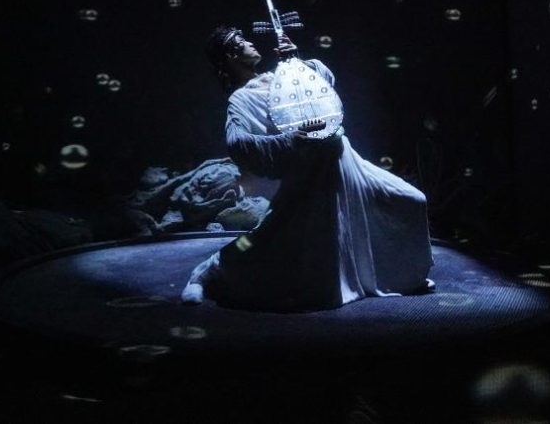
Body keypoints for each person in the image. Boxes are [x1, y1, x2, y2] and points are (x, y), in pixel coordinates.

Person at [180, 25, 434, 312]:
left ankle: (401, 277)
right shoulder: (241, 99)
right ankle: (205, 276)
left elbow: (325, 87)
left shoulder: (281, 75)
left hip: (347, 162)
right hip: (314, 176)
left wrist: (295, 60)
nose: (251, 43)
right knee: (264, 243)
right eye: (243, 42)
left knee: (412, 201)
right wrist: (287, 141)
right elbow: (238, 143)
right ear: (231, 55)